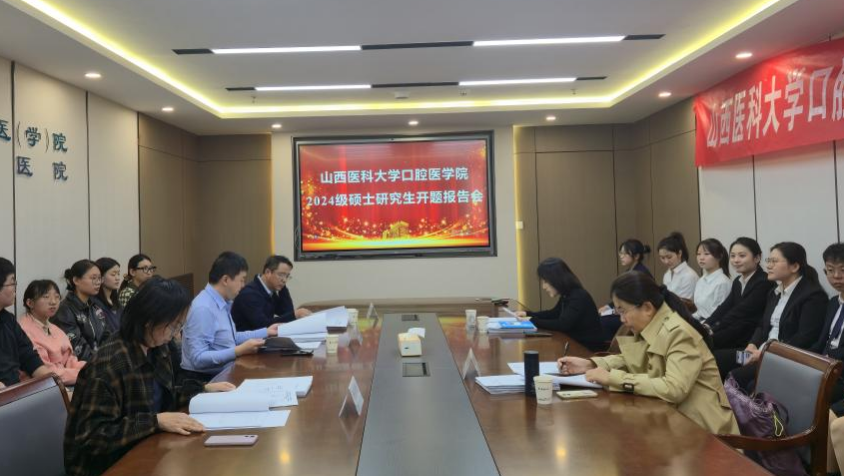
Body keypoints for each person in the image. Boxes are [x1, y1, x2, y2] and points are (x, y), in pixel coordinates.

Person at [64, 277, 236, 476]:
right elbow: (93, 437)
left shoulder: (156, 347)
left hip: (147, 448)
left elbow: (161, 396)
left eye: (180, 326)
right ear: (149, 321)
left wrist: (202, 389)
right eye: (173, 326)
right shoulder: (109, 365)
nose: (176, 334)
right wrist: (155, 421)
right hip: (109, 465)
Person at [558, 272, 738, 435]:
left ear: (647, 308)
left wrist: (613, 378)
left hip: (705, 433)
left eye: (623, 311)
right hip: (672, 421)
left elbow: (674, 388)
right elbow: (631, 359)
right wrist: (591, 364)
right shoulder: (651, 325)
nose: (622, 319)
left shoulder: (679, 333)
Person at [723, 242, 829, 389]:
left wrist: (765, 354)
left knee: (735, 377)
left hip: (780, 359)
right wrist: (752, 345)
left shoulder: (813, 296)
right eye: (768, 260)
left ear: (794, 267)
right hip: (758, 353)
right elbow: (762, 325)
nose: (768, 266)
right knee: (718, 359)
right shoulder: (774, 292)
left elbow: (805, 338)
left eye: (774, 261)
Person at [181, 252, 281, 380]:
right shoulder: (204, 308)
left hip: (223, 373)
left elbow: (230, 338)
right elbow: (198, 359)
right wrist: (238, 350)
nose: (243, 285)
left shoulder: (222, 302)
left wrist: (266, 332)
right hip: (204, 380)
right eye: (242, 280)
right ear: (226, 280)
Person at [515, 258, 604, 351]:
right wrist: (528, 314)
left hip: (586, 350)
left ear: (556, 279)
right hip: (572, 344)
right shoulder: (568, 294)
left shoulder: (578, 296)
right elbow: (554, 313)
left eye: (545, 281)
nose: (543, 287)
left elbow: (562, 324)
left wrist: (532, 320)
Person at [705, 238, 774, 350]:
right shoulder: (737, 281)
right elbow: (725, 307)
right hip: (734, 332)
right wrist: (706, 324)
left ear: (757, 258)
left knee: (705, 348)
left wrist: (713, 329)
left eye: (742, 256)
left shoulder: (764, 281)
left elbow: (740, 312)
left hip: (750, 339)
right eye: (732, 256)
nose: (736, 260)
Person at [18, 280, 86, 386]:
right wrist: (83, 375)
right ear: (30, 303)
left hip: (65, 380)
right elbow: (44, 372)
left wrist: (90, 368)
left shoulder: (54, 328)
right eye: (46, 297)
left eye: (57, 297)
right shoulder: (23, 330)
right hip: (40, 387)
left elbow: (70, 360)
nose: (53, 302)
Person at [0, 258, 51, 389]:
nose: (15, 288)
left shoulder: (9, 320)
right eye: (12, 282)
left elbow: (28, 356)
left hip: (14, 393)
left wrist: (53, 383)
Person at [232, 255, 312, 332]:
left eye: (287, 276)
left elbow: (287, 312)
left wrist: (282, 288)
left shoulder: (270, 290)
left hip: (262, 338)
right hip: (246, 340)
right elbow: (263, 325)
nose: (284, 280)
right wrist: (294, 315)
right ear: (268, 272)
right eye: (281, 275)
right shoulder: (249, 294)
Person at [54, 260, 110, 362]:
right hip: (82, 366)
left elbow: (107, 337)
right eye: (93, 278)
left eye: (99, 278)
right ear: (76, 280)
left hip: (101, 361)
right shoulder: (64, 310)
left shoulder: (95, 307)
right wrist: (103, 361)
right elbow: (77, 349)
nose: (98, 282)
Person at [813, 243, 843, 417]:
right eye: (831, 270)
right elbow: (821, 342)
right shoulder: (832, 303)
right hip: (825, 370)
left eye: (843, 270)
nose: (837, 276)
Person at [692, 239, 732, 322]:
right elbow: (700, 311)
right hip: (701, 321)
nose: (701, 258)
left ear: (719, 256)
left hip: (712, 325)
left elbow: (718, 315)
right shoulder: (701, 280)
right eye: (698, 254)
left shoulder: (722, 282)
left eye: (706, 254)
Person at [658, 231, 699, 300]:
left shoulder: (689, 276)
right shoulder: (667, 274)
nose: (666, 261)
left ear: (679, 253)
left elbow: (684, 304)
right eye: (662, 258)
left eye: (669, 257)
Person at [94, 257, 123, 333]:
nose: (117, 278)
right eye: (113, 274)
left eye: (118, 274)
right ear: (101, 277)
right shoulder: (94, 304)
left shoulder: (116, 302)